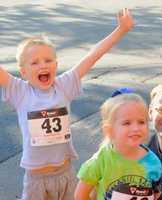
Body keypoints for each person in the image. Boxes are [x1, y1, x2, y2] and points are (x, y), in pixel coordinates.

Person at [0, 9, 134, 200]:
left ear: (56, 64)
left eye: (48, 60)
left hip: (66, 173)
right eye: (35, 62)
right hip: (36, 178)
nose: (43, 65)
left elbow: (92, 55)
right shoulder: (20, 91)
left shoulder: (64, 85)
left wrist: (121, 30)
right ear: (23, 71)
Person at [75, 88, 162, 200]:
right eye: (126, 123)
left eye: (141, 122)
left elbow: (156, 194)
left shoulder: (153, 163)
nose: (135, 128)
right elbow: (80, 195)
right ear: (109, 130)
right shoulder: (101, 160)